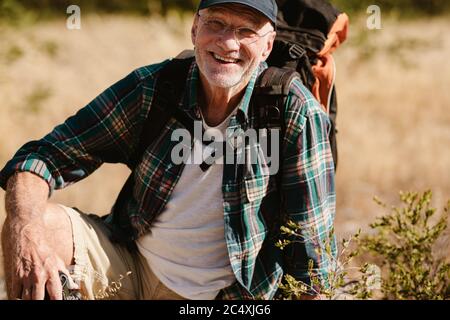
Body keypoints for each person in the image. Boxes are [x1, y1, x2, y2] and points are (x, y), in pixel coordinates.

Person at [0, 0, 336, 300]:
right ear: (195, 29)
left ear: (267, 47)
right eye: (215, 23)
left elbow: (312, 258)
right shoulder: (157, 87)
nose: (228, 42)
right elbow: (41, 157)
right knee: (36, 223)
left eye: (246, 30)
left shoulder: (293, 111)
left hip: (225, 295)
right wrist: (26, 229)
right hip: (132, 266)